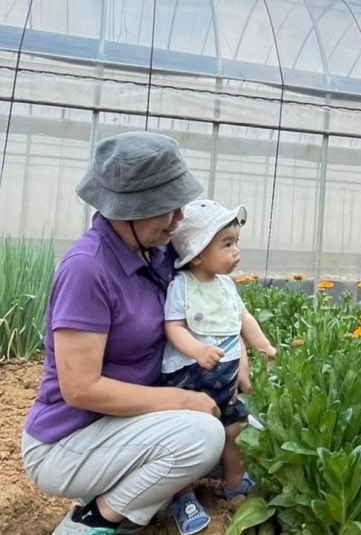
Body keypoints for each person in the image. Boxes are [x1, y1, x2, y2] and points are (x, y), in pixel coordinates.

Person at [21, 131, 226, 535]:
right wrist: (182, 400)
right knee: (201, 437)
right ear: (128, 210)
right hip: (69, 440)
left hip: (125, 426)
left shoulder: (156, 250)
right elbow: (80, 389)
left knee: (233, 433)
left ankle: (128, 498)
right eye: (166, 208)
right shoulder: (87, 269)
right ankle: (95, 520)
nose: (179, 218)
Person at [161, 199, 277, 518]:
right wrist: (197, 351)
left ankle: (234, 482)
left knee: (233, 429)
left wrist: (264, 346)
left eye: (236, 242)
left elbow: (243, 319)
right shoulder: (182, 286)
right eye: (227, 244)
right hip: (190, 376)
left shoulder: (226, 286)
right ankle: (181, 494)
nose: (236, 251)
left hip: (224, 378)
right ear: (198, 254)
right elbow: (173, 328)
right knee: (187, 436)